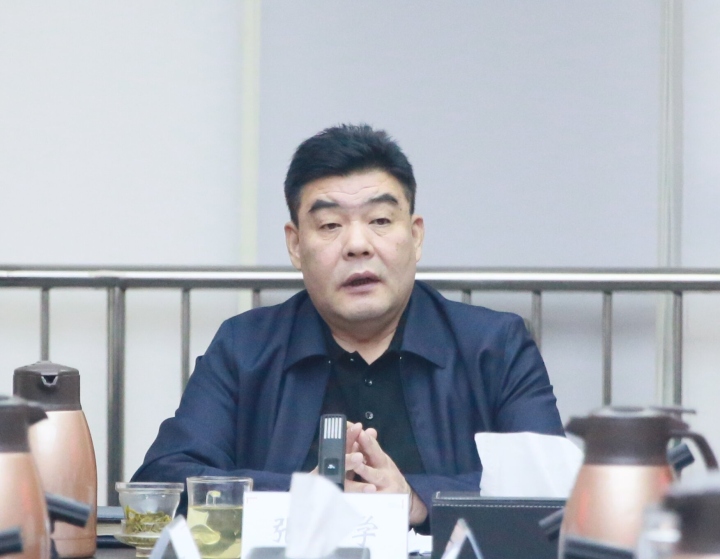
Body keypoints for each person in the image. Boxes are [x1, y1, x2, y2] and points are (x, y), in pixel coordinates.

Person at [132, 124, 564, 532]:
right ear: (295, 244)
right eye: (330, 225)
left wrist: (419, 500)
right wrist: (298, 496)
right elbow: (163, 481)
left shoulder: (495, 346)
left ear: (415, 236)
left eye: (380, 221)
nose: (357, 245)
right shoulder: (244, 347)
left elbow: (551, 493)